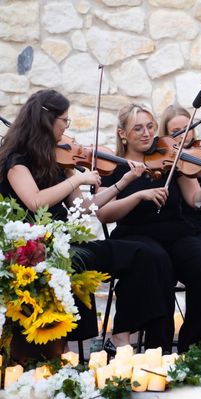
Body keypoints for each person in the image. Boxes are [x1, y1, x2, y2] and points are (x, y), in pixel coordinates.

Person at [0, 89, 175, 352]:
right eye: (64, 121)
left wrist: (122, 183)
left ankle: (123, 336)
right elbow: (35, 201)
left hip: (66, 242)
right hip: (35, 250)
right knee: (76, 262)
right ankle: (65, 349)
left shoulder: (58, 160)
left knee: (145, 255)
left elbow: (82, 208)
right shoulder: (17, 161)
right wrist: (78, 179)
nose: (66, 128)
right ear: (47, 121)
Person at [97, 103, 201, 352]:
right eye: (138, 128)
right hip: (135, 234)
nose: (147, 133)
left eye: (150, 126)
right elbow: (104, 214)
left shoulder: (169, 157)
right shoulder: (113, 166)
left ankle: (194, 346)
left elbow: (195, 200)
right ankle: (159, 348)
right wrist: (138, 196)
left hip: (175, 233)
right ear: (123, 134)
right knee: (158, 262)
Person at [158, 105, 201, 268]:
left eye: (187, 129)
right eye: (176, 131)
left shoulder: (200, 151)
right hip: (178, 224)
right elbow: (194, 200)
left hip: (200, 222)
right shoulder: (164, 159)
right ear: (166, 134)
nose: (184, 135)